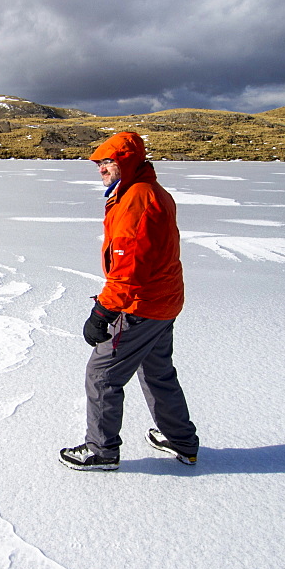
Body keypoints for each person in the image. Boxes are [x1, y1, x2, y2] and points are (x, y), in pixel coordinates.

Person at [59, 131, 199, 471]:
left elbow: (127, 267)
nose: (102, 169)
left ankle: (102, 450)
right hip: (163, 301)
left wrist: (103, 311)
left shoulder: (137, 200)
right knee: (157, 372)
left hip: (139, 305)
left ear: (127, 162)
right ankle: (180, 441)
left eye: (108, 162)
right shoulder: (148, 192)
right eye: (99, 163)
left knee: (102, 373)